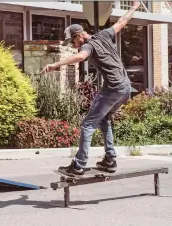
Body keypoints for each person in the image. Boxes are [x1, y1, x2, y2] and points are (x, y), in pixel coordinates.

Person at [41, 1, 141, 175]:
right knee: (104, 119)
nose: (73, 45)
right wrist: (134, 7)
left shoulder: (88, 45)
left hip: (113, 89)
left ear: (79, 35)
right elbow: (121, 23)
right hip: (126, 88)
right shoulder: (103, 35)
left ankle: (78, 165)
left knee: (88, 124)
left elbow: (80, 57)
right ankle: (110, 160)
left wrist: (55, 64)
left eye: (72, 41)